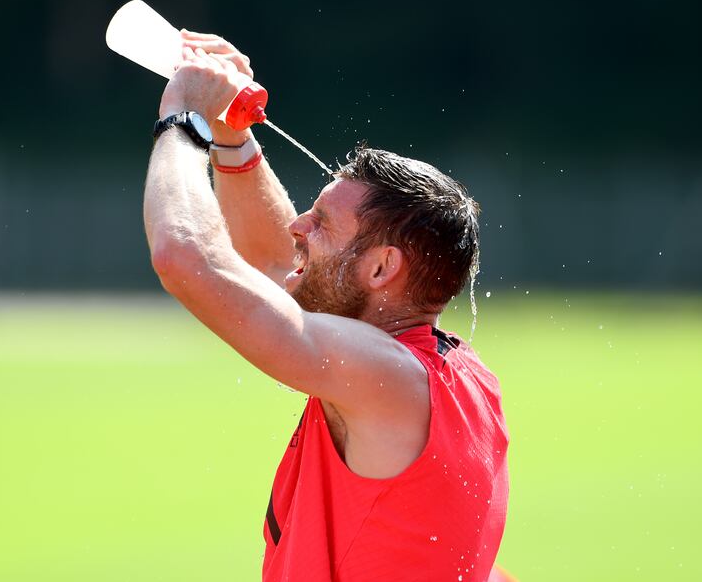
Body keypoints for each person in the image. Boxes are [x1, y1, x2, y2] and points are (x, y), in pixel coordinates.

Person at [143, 31, 512, 582]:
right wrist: (231, 134)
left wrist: (183, 121)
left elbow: (185, 256)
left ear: (382, 268)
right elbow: (277, 270)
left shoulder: (384, 373)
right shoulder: (447, 371)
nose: (298, 226)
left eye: (322, 224)